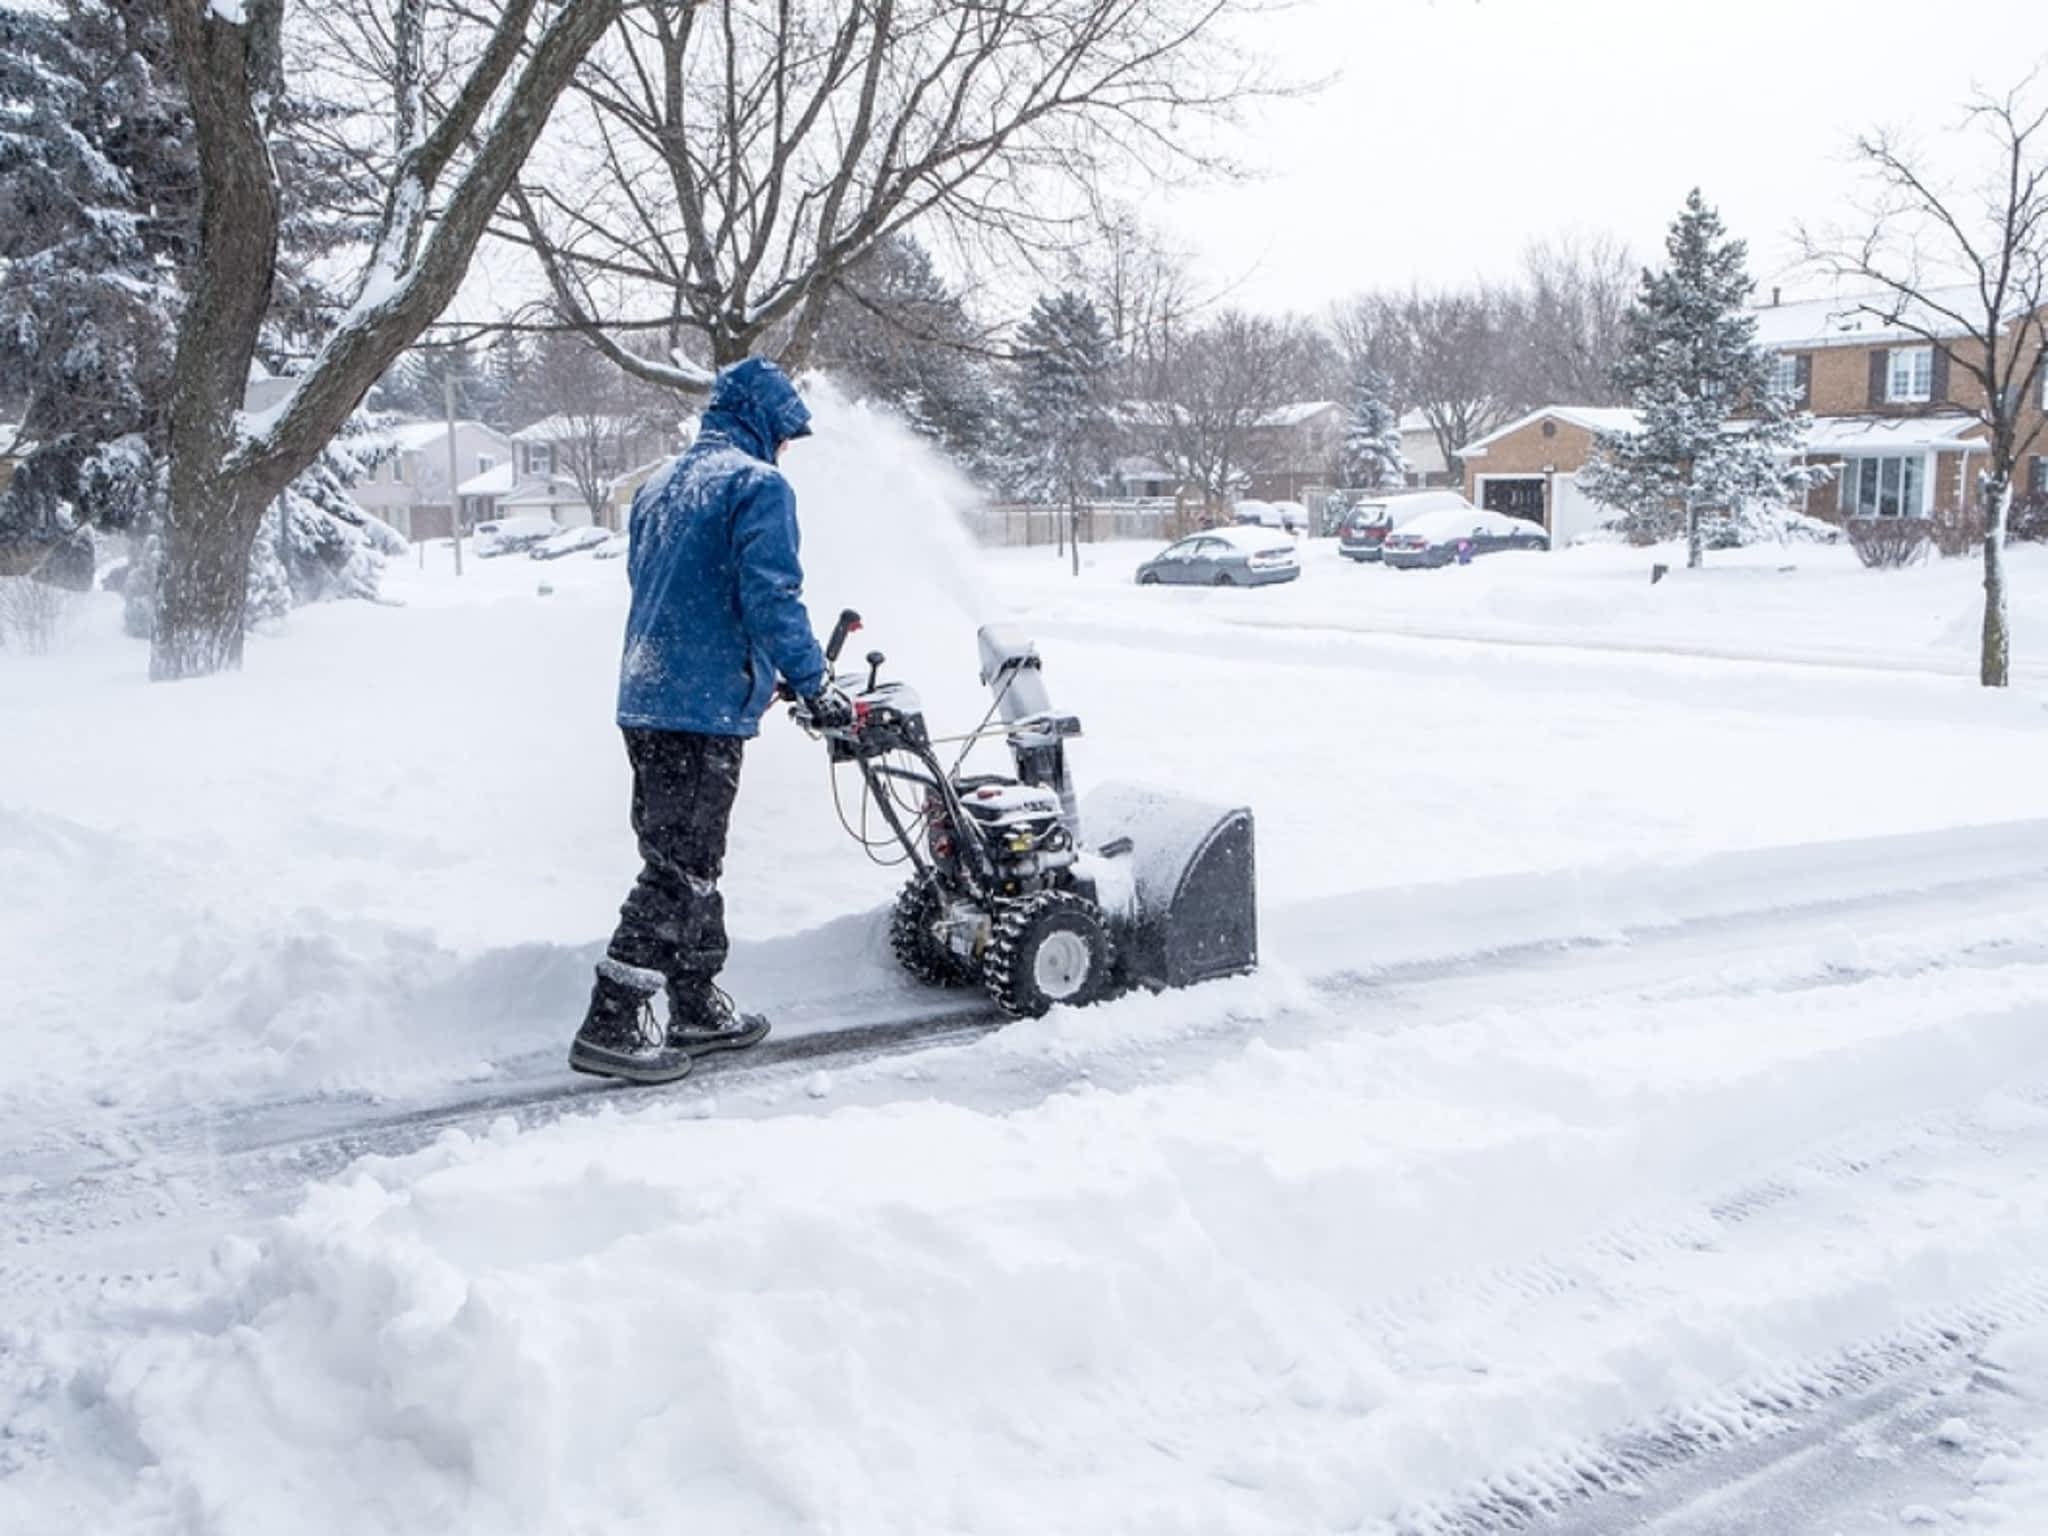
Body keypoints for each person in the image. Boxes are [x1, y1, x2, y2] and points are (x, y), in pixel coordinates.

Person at [569, 358, 851, 1084]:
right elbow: (771, 597)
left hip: (647, 696)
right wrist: (813, 681)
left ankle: (695, 1000)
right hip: (700, 707)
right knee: (680, 865)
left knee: (690, 857)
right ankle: (613, 1018)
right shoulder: (756, 486)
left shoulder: (660, 486)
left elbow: (672, 589)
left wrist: (758, 669)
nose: (785, 449)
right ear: (760, 421)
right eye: (783, 434)